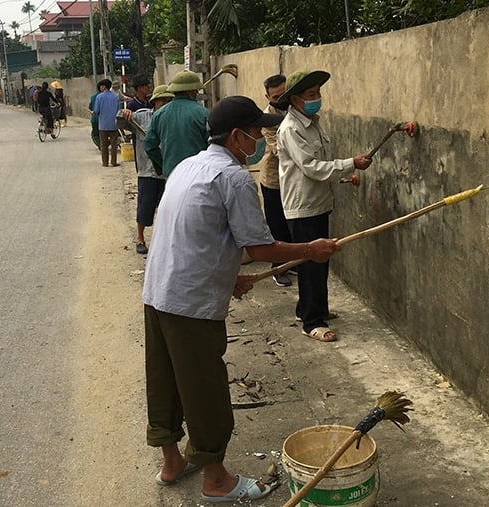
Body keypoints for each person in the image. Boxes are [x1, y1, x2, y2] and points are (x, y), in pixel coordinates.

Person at [142, 96, 342, 503]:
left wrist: (231, 276)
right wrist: (311, 249)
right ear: (237, 137)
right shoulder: (233, 178)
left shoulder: (187, 166)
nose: (260, 139)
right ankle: (216, 480)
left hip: (158, 293)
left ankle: (172, 463)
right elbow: (261, 246)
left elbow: (194, 234)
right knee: (205, 391)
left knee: (165, 382)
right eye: (255, 132)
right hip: (191, 305)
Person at [276, 70, 372, 343]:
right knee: (311, 263)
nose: (316, 98)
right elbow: (311, 167)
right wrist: (350, 163)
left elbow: (321, 164)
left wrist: (344, 173)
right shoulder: (291, 129)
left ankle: (308, 308)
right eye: (310, 95)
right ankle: (311, 321)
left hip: (318, 202)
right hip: (303, 206)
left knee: (320, 261)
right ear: (294, 100)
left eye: (317, 93)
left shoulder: (312, 123)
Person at [123, 84, 173, 254]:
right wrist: (125, 114)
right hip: (147, 170)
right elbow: (121, 120)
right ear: (155, 103)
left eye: (169, 102)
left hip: (168, 171)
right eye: (162, 102)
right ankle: (140, 238)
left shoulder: (174, 120)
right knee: (145, 206)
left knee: (168, 208)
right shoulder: (142, 116)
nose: (165, 105)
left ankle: (165, 240)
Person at [258, 74, 295, 288]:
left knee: (292, 222)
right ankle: (278, 267)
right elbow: (276, 148)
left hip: (293, 177)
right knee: (276, 223)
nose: (280, 99)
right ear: (268, 96)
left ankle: (291, 263)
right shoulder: (267, 117)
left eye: (283, 94)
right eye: (275, 96)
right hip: (274, 178)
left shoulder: (295, 108)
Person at [144, 70, 208, 178]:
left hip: (171, 173)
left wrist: (163, 165)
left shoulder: (159, 115)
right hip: (198, 173)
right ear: (191, 92)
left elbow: (149, 146)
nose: (196, 93)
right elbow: (214, 145)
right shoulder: (203, 113)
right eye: (196, 91)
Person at [94, 78, 120, 167]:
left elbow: (97, 110)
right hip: (114, 124)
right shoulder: (115, 97)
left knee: (104, 145)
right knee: (114, 145)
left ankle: (105, 162)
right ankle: (114, 162)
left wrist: (94, 112)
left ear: (104, 87)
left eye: (101, 86)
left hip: (103, 125)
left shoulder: (99, 97)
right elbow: (118, 110)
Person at [89, 79, 110, 149]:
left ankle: (101, 145)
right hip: (106, 120)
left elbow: (92, 108)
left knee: (95, 134)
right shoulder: (112, 96)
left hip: (96, 119)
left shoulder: (94, 97)